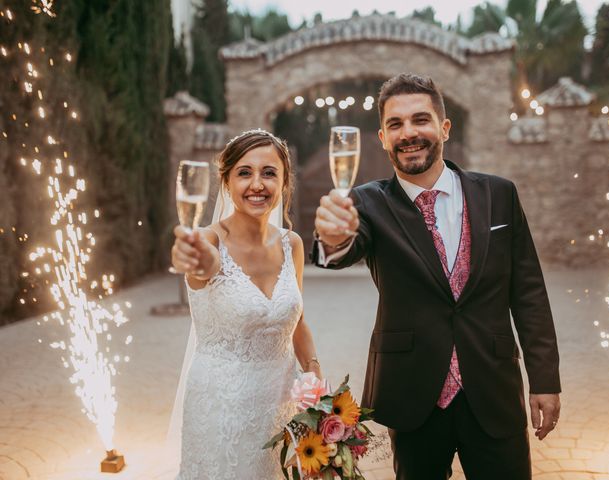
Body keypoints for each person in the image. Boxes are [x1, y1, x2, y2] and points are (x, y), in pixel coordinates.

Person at [311, 73, 561, 479]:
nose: (409, 133)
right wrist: (331, 237)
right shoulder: (367, 203)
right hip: (413, 395)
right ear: (382, 137)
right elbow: (338, 252)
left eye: (420, 120)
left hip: (493, 387)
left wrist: (545, 379)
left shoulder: (499, 194)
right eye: (396, 124)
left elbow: (529, 292)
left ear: (444, 127)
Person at [170, 129, 321, 479]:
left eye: (269, 173)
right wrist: (189, 253)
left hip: (281, 405)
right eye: (244, 172)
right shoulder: (209, 241)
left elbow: (297, 324)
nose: (257, 184)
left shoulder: (292, 245)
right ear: (226, 182)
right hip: (221, 411)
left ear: (284, 183)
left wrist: (317, 391)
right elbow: (200, 263)